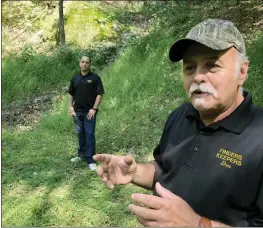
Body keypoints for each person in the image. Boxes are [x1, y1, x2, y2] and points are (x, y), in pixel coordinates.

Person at [93, 19, 263, 226]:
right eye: (190, 68)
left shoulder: (258, 137)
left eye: (212, 65)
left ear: (242, 72)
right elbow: (166, 170)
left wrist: (197, 224)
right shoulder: (180, 115)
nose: (198, 77)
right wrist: (135, 172)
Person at [68, 56, 104, 171]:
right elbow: (70, 93)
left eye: (87, 62)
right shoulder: (75, 78)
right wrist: (70, 107)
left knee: (89, 134)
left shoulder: (95, 78)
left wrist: (94, 109)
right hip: (77, 112)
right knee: (80, 134)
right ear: (80, 63)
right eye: (82, 62)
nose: (84, 64)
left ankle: (91, 159)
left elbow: (99, 95)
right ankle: (81, 155)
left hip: (89, 112)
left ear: (90, 65)